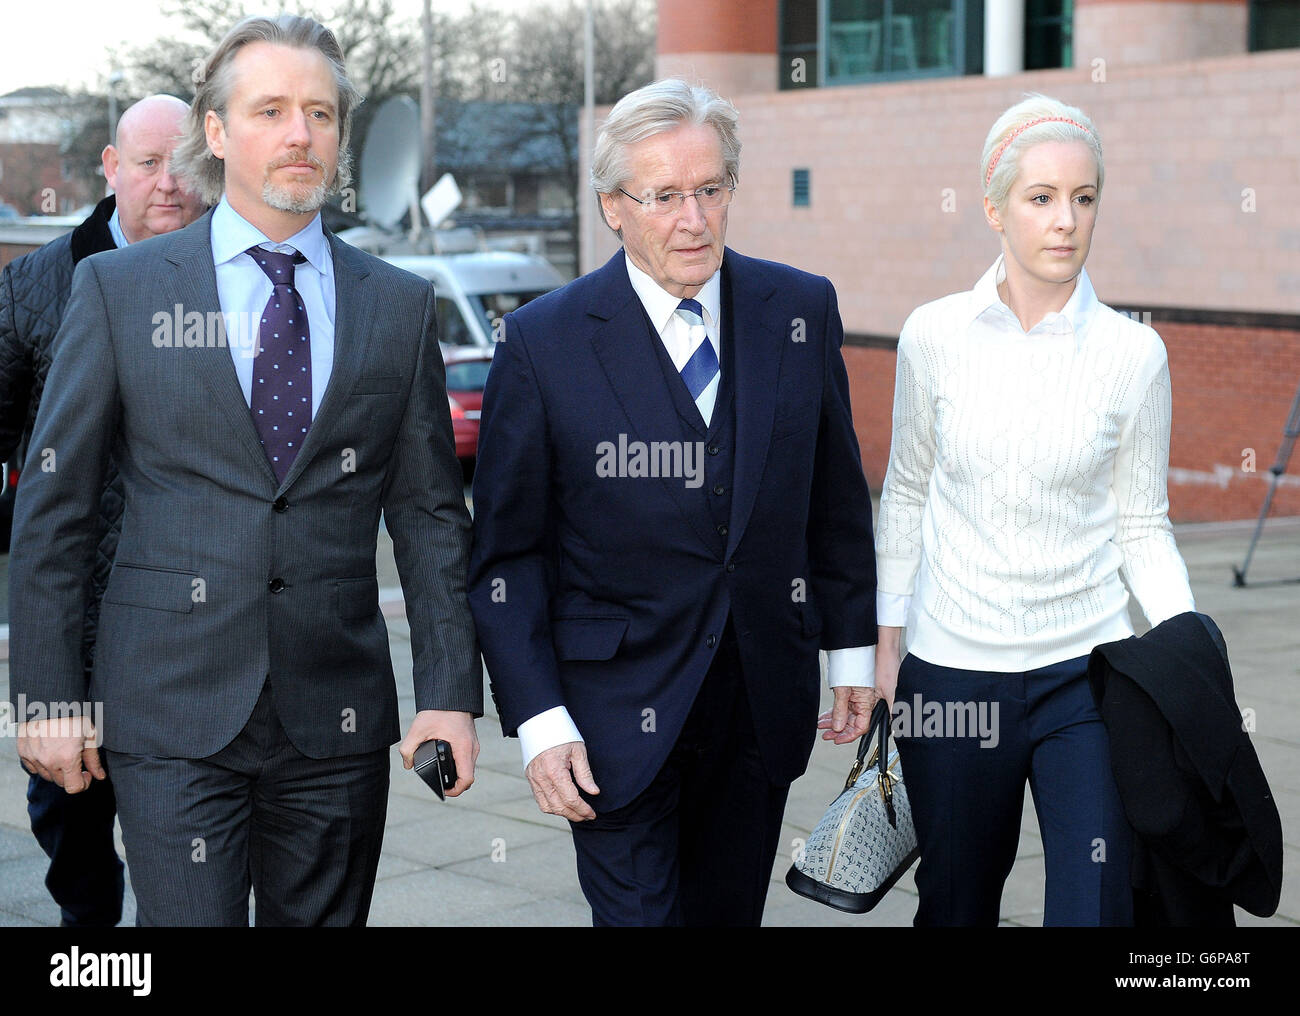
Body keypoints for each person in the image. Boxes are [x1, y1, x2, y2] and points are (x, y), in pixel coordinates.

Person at [9, 13, 480, 926]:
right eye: (270, 109)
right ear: (216, 134)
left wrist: (451, 696)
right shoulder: (121, 289)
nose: (300, 133)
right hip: (168, 713)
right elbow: (54, 507)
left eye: (319, 112)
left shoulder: (399, 305)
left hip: (336, 720)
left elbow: (429, 515)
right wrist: (46, 696)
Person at [468, 78, 879, 927]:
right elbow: (508, 558)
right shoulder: (543, 341)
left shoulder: (800, 309)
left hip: (759, 703)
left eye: (710, 189)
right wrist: (539, 719)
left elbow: (835, 503)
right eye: (663, 196)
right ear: (613, 207)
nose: (693, 218)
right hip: (609, 715)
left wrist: (850, 655)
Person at [862, 93, 1197, 926]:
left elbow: (1142, 524)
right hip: (953, 674)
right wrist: (886, 639)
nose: (1066, 220)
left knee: (1098, 903)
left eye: (1084, 199)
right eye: (1041, 198)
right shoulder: (933, 335)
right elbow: (905, 489)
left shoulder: (1134, 353)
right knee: (955, 902)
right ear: (993, 207)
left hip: (1089, 675)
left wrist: (1193, 657)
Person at [0, 94, 204, 927]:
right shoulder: (38, 284)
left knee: (192, 843)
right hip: (77, 626)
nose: (169, 184)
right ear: (111, 170)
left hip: (195, 626)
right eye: (148, 163)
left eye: (186, 164)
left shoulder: (241, 280)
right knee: (75, 827)